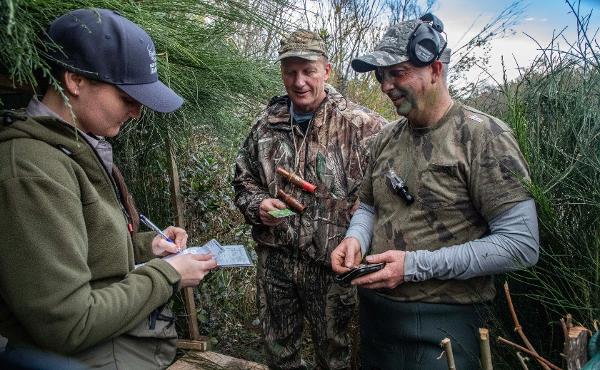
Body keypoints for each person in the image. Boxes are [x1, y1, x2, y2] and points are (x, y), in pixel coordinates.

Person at [0, 8, 217, 369]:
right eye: (128, 98)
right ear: (74, 81)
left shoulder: (78, 147)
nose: (136, 112)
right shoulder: (31, 169)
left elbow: (80, 249)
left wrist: (147, 247)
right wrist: (169, 274)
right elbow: (69, 322)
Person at [331, 14, 540, 370]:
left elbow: (521, 245)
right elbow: (368, 206)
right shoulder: (385, 138)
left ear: (436, 68)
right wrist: (355, 238)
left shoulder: (482, 136)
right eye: (381, 76)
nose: (385, 86)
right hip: (378, 320)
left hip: (447, 323)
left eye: (397, 72)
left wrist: (413, 267)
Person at [233, 29, 385, 370]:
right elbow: (243, 182)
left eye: (308, 70)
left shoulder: (363, 127)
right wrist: (259, 206)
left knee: (336, 357)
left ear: (326, 71)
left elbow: (384, 198)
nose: (299, 81)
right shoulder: (264, 126)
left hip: (332, 270)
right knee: (279, 353)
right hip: (276, 264)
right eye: (290, 71)